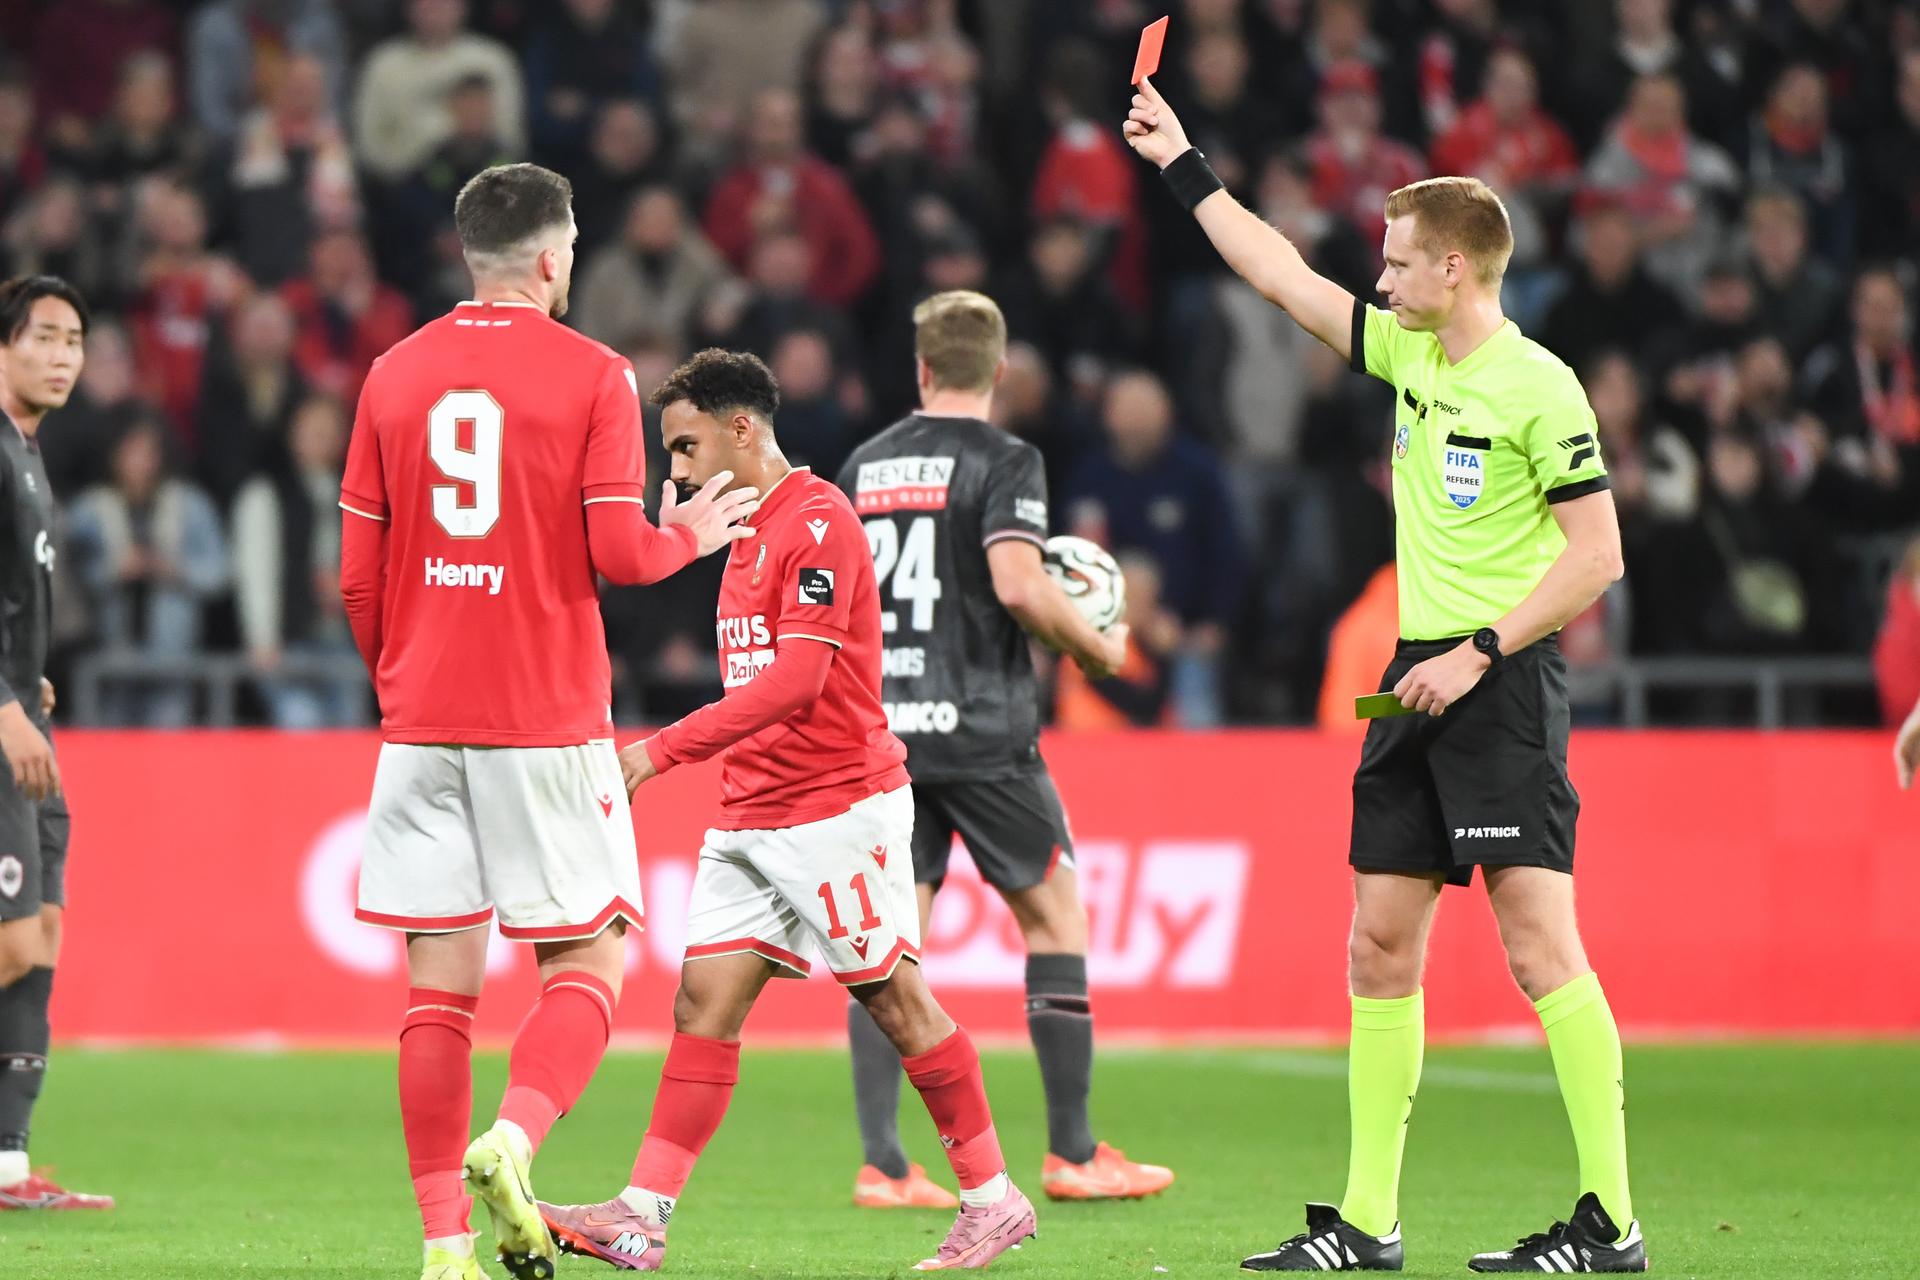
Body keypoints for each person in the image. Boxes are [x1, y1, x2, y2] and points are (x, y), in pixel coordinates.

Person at [1125, 82, 1645, 1273]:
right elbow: (1279, 273)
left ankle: (1611, 1222)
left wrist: (1481, 651)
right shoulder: (1408, 348)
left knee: (1539, 947)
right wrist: (1182, 162)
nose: (1382, 276)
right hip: (1418, 675)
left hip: (1497, 677)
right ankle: (1368, 1222)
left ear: (1457, 267)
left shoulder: (1539, 384)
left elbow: (1598, 555)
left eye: (1401, 260)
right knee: (1378, 942)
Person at [337, 164, 756, 1280]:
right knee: (590, 958)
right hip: (545, 718)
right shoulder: (594, 374)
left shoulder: (390, 374)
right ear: (552, 259)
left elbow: (358, 577)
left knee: (439, 991)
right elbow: (620, 551)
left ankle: (442, 1247)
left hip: (421, 720)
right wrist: (692, 534)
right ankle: (513, 1142)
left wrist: (405, 680)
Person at [535, 349, 1037, 1274]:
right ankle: (641, 1216)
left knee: (897, 1003)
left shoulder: (818, 521)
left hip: (834, 808)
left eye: (685, 446)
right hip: (753, 811)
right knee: (702, 1005)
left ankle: (992, 1199)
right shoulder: (745, 530)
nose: (676, 468)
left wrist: (658, 752)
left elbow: (797, 681)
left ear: (742, 429)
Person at [831, 291, 1169, 1208]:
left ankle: (885, 1165)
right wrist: (1096, 647)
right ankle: (1072, 1153)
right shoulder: (1006, 458)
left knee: (890, 948)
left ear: (921, 368)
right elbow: (1019, 585)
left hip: (885, 735)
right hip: (982, 731)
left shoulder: (863, 465)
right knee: (1055, 922)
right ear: (1001, 371)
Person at [0, 276, 111, 1211]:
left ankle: (6, 1165)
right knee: (8, 942)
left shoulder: (27, 453)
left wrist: (25, 679)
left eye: (74, 340)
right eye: (43, 336)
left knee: (41, 934)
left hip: (22, 715)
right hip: (2, 724)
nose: (62, 355)